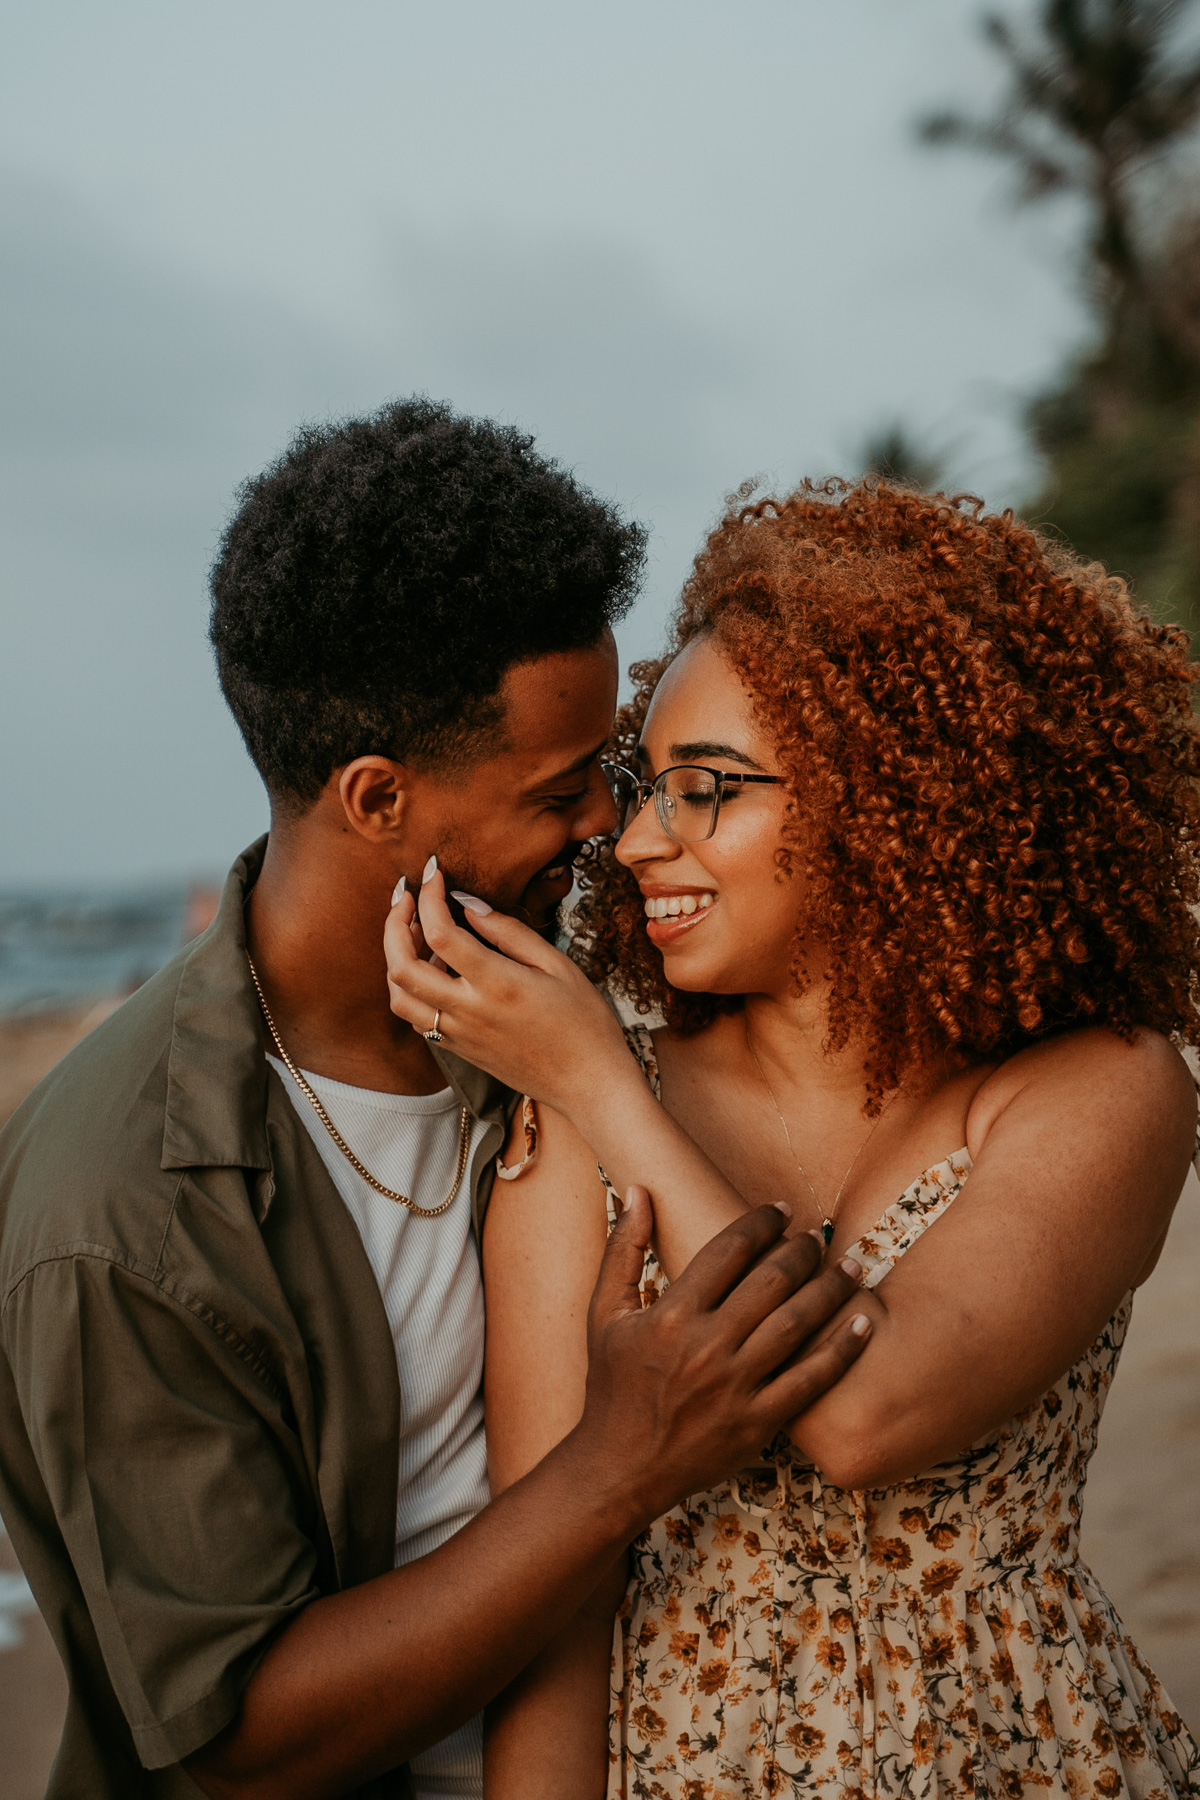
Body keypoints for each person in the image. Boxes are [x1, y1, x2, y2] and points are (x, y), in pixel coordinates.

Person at [0, 404, 874, 1800]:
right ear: (375, 799)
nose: (608, 822)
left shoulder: (548, 1011)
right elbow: (231, 1746)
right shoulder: (117, 1208)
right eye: (558, 790)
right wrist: (619, 1466)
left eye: (618, 766)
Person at [384, 479, 1200, 1798]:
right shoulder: (583, 1125)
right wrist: (599, 1087)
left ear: (900, 800)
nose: (640, 838)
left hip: (1027, 1754)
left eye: (710, 791)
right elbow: (559, 1597)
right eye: (649, 786)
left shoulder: (1102, 1088)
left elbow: (871, 1414)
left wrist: (600, 1079)